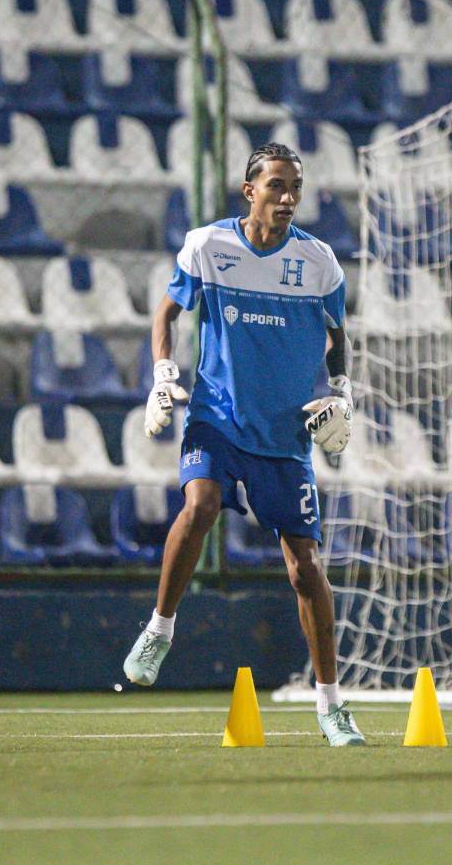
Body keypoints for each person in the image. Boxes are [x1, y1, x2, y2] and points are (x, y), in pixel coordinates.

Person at [123, 142, 365, 747]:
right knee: (200, 505)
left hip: (283, 434)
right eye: (276, 186)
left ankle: (331, 705)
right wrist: (160, 374)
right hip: (218, 416)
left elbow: (339, 336)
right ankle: (160, 628)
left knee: (304, 567)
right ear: (248, 190)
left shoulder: (319, 263)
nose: (287, 198)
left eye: (295, 189)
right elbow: (167, 313)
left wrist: (344, 393)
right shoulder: (208, 246)